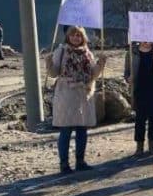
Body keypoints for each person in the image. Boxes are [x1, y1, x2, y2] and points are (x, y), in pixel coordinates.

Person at [46, 26, 107, 174]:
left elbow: (93, 74)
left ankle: (80, 161)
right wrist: (49, 63)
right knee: (66, 130)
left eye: (79, 36)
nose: (76, 38)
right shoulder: (61, 51)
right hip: (66, 94)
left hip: (83, 95)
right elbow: (53, 73)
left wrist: (101, 63)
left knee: (82, 130)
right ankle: (64, 165)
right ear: (68, 37)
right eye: (73, 35)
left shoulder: (87, 53)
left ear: (83, 38)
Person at [125, 42, 153, 157]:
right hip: (139, 90)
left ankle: (152, 145)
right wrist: (128, 78)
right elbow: (126, 72)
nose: (146, 40)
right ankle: (139, 147)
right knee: (140, 119)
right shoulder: (131, 52)